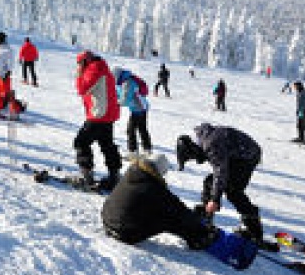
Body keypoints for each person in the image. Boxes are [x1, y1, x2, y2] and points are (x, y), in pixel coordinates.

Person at [101, 154, 257, 271]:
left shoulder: (133, 174)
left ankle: (198, 233)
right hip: (125, 232)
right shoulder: (152, 187)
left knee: (160, 211)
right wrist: (197, 222)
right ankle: (201, 238)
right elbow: (176, 208)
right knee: (172, 218)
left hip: (108, 220)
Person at [176, 123, 265, 247]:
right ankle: (206, 220)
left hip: (247, 157)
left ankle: (254, 232)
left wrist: (214, 199)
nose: (196, 161)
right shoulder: (202, 137)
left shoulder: (211, 145)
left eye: (192, 157)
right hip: (237, 154)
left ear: (193, 149)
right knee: (210, 182)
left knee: (233, 191)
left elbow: (220, 172)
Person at [73, 50, 121, 190]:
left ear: (85, 61)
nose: (79, 66)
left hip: (99, 115)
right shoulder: (103, 68)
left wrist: (79, 74)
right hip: (107, 115)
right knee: (107, 145)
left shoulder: (94, 69)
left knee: (81, 142)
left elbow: (82, 89)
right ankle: (114, 175)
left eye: (80, 63)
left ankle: (87, 174)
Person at [113, 67, 152, 160]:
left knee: (131, 130)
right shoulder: (123, 82)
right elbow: (119, 94)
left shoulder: (128, 83)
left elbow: (125, 100)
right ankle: (147, 150)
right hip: (139, 107)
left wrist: (115, 102)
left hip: (139, 108)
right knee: (141, 129)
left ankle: (133, 152)